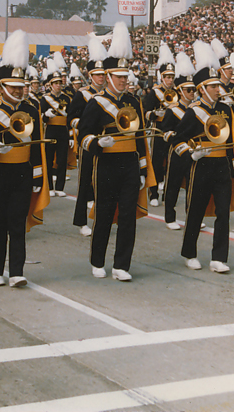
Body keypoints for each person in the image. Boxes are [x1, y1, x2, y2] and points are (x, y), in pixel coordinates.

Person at [0, 29, 48, 288]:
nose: (18, 91)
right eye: (13, 88)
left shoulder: (31, 109)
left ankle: (16, 270)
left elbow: (37, 144)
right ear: (2, 86)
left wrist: (37, 173)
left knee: (18, 222)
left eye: (21, 87)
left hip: (23, 172)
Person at [78, 22, 150, 281]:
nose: (124, 80)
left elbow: (140, 137)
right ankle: (98, 261)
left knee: (128, 216)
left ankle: (122, 265)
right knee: (105, 213)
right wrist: (98, 143)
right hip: (106, 163)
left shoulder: (133, 101)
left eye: (125, 76)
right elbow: (83, 135)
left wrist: (142, 167)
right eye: (119, 76)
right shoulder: (96, 103)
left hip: (129, 163)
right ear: (108, 77)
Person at [170, 40, 234, 273]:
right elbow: (176, 141)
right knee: (196, 210)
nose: (216, 89)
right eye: (212, 86)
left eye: (217, 85)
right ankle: (189, 253)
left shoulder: (225, 109)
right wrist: (191, 154)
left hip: (221, 165)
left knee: (223, 212)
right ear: (202, 88)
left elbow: (231, 139)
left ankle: (219, 257)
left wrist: (233, 166)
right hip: (200, 166)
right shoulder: (193, 112)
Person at [68, 37, 107, 237]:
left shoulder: (109, 96)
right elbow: (71, 118)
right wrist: (83, 125)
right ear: (90, 76)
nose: (101, 78)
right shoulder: (82, 95)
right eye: (98, 75)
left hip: (107, 143)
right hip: (88, 141)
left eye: (103, 74)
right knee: (85, 182)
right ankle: (81, 221)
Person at [160, 52, 197, 230]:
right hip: (176, 151)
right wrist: (173, 136)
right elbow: (164, 132)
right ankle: (169, 216)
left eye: (193, 90)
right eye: (188, 90)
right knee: (173, 184)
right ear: (180, 91)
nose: (192, 93)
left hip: (193, 151)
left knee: (193, 184)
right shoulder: (172, 110)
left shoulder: (197, 110)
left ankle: (192, 215)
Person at [143, 43, 176, 207]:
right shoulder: (155, 92)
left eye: (171, 77)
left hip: (172, 130)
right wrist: (156, 114)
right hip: (157, 130)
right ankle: (154, 193)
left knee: (171, 164)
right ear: (161, 77)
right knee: (156, 162)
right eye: (167, 77)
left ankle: (168, 195)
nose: (170, 80)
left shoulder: (176, 91)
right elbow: (146, 112)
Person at [40, 62, 72, 197]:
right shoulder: (45, 98)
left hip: (63, 131)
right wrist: (46, 116)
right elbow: (41, 117)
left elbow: (70, 117)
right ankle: (49, 186)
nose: (58, 85)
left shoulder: (66, 98)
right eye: (56, 83)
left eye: (60, 83)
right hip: (51, 130)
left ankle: (59, 187)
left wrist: (70, 135)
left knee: (62, 159)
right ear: (51, 85)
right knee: (48, 158)